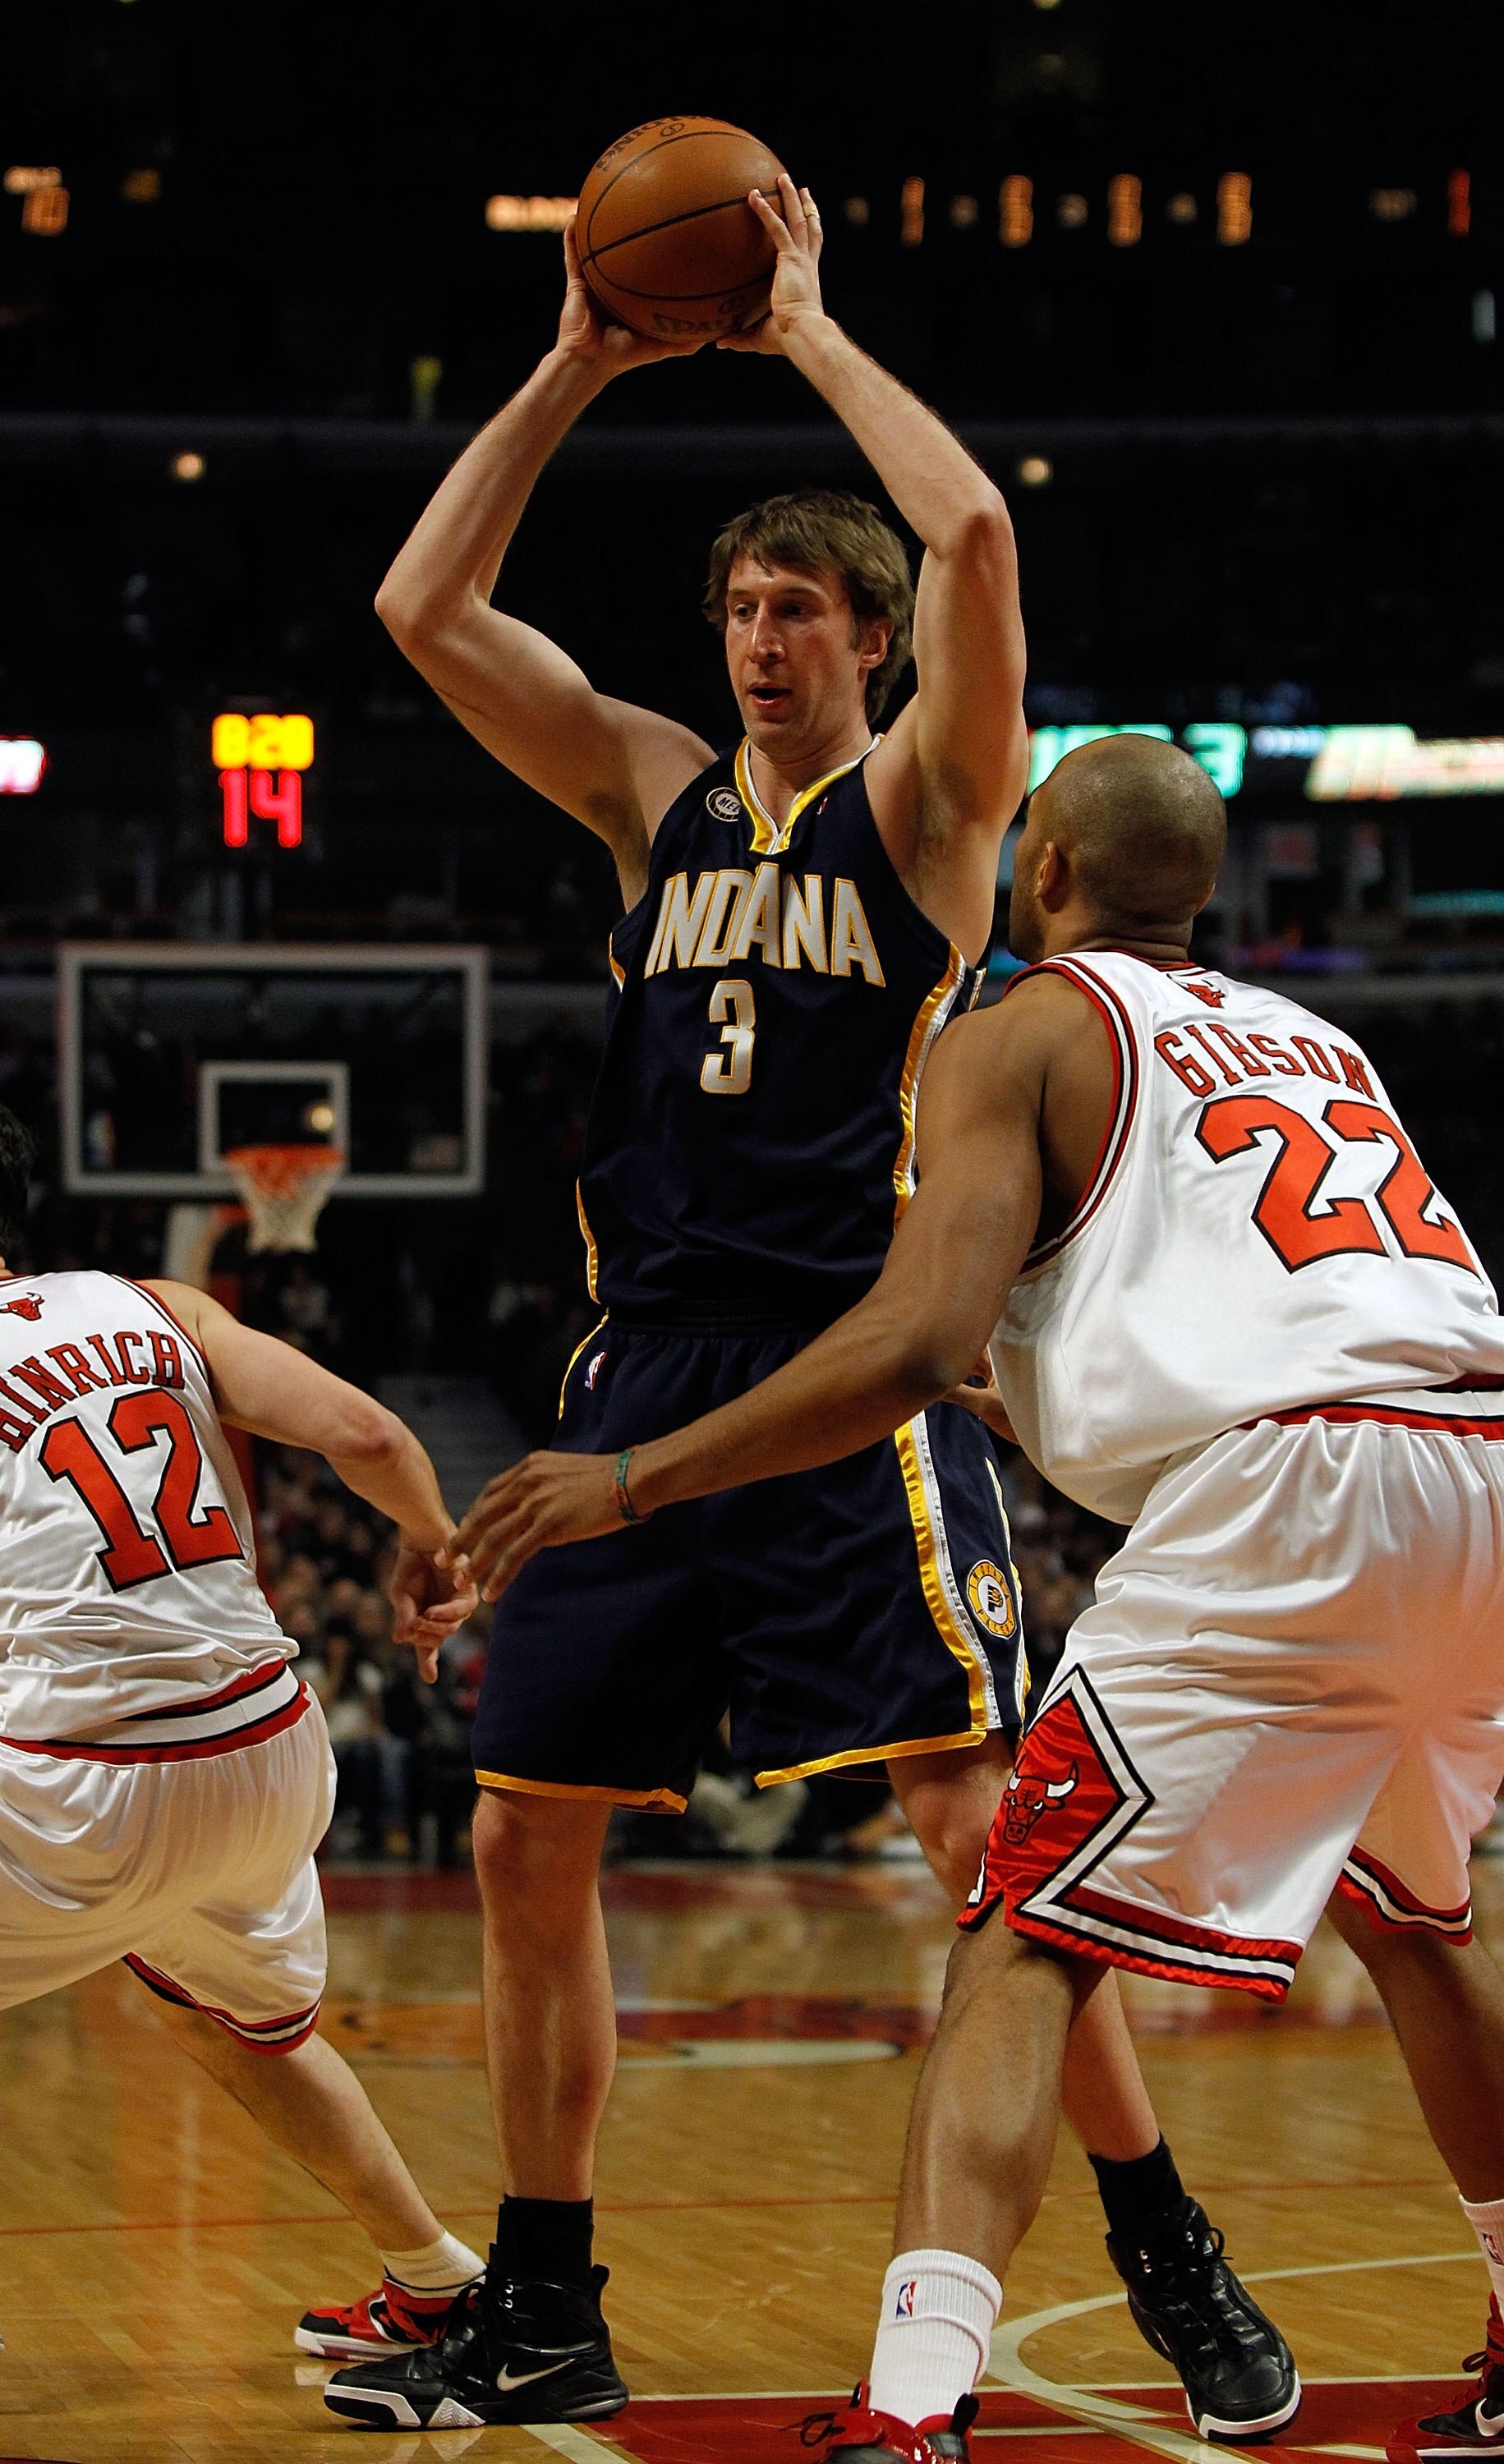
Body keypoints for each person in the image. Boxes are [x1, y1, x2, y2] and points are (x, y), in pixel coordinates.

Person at [322, 177, 1293, 2437]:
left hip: (851, 1383)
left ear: (862, 643)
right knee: (513, 1833)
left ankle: (1171, 2251)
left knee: (981, 1851)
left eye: (795, 609)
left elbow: (973, 547)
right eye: (741, 605)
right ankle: (544, 2295)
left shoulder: (934, 811)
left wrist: (802, 327)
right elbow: (419, 601)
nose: (759, 638)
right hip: (636, 1375)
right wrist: (581, 353)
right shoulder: (653, 799)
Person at [455, 732, 1504, 2464]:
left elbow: (922, 1341)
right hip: (1470, 1466)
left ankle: (911, 2409)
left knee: (1022, 1941)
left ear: (1044, 876)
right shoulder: (1320, 1039)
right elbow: (1126, 1323)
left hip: (1288, 1489)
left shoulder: (1015, 1026)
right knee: (1413, 1921)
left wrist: (634, 1475)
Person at [0, 1106, 487, 2371]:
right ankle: (436, 2277)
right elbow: (367, 1437)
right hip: (270, 1751)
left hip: (80, 1780)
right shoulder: (154, 1304)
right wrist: (431, 1547)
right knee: (226, 2017)